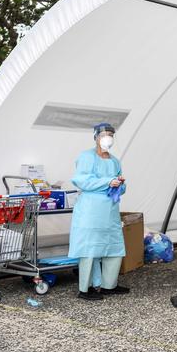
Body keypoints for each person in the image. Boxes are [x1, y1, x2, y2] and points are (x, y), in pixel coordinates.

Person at [69, 123, 130, 301]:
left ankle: (108, 285)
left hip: (110, 211)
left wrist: (120, 183)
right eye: (104, 134)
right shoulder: (87, 157)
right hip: (91, 210)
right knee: (89, 249)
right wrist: (107, 182)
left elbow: (122, 186)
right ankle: (85, 289)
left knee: (113, 247)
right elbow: (82, 180)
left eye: (110, 134)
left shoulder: (115, 161)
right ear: (95, 137)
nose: (107, 138)